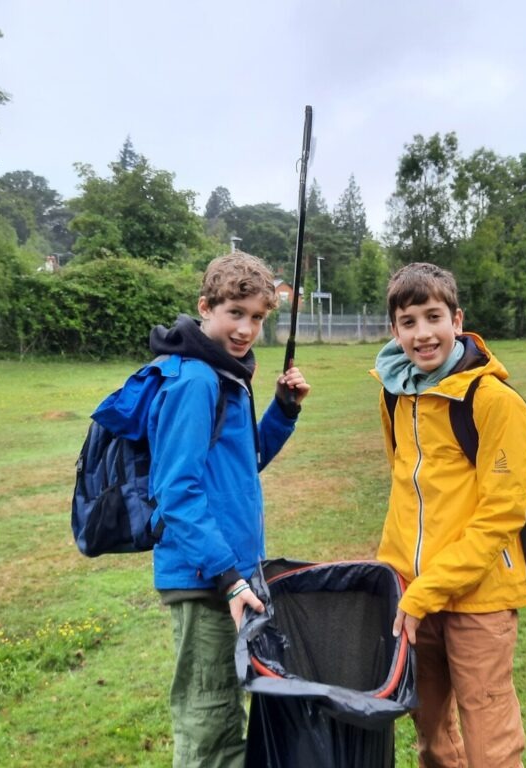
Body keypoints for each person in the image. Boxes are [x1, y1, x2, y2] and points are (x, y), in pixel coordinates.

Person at [147, 251, 310, 768]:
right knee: (211, 724)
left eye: (257, 317)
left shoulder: (225, 375)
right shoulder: (196, 381)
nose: (246, 329)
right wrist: (228, 578)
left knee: (227, 711)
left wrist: (283, 410)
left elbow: (244, 461)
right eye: (235, 313)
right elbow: (176, 491)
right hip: (207, 579)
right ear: (205, 307)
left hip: (233, 575)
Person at [372, 262, 526, 768]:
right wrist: (395, 578)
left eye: (433, 317)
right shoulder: (395, 394)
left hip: (478, 598)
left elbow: (501, 517)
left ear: (457, 320)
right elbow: (405, 492)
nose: (422, 334)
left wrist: (431, 588)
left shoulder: (495, 401)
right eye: (408, 322)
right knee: (434, 742)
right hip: (413, 598)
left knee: (489, 746)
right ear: (395, 330)